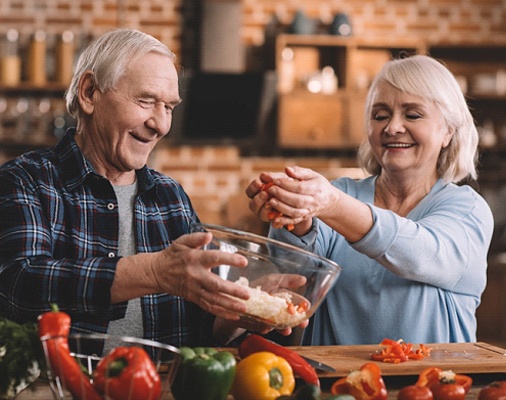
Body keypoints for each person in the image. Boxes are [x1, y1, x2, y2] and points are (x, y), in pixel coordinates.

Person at [0, 28, 254, 352]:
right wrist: (153, 272)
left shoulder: (171, 197)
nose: (160, 124)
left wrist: (245, 307)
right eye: (146, 101)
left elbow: (202, 328)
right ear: (90, 93)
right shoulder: (24, 181)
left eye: (169, 107)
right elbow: (20, 286)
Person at [230, 54, 494, 345]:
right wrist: (296, 219)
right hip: (336, 386)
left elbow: (422, 255)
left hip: (429, 386)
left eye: (413, 115)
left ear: (448, 131)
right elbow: (292, 280)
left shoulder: (467, 209)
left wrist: (331, 204)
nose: (392, 127)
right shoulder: (342, 193)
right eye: (380, 115)